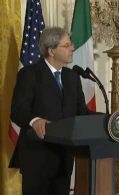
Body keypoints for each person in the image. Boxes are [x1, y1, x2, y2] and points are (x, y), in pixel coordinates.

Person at [9, 27, 90, 195]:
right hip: (37, 158)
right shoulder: (29, 74)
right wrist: (34, 120)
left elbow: (81, 111)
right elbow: (18, 110)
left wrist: (108, 119)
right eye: (66, 45)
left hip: (64, 158)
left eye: (71, 44)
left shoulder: (72, 77)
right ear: (51, 50)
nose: (72, 48)